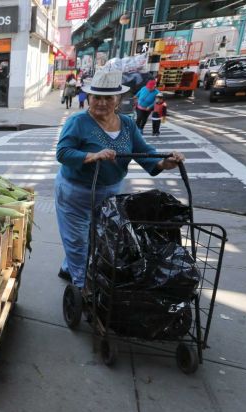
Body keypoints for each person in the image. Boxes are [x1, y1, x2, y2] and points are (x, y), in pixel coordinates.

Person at [55, 68, 184, 289]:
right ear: (89, 97)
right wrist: (91, 156)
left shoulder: (127, 124)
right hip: (76, 192)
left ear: (118, 99)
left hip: (110, 192)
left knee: (98, 236)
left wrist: (164, 162)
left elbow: (144, 151)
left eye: (108, 98)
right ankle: (81, 285)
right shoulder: (77, 122)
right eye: (97, 97)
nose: (101, 103)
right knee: (77, 240)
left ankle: (70, 267)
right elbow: (63, 153)